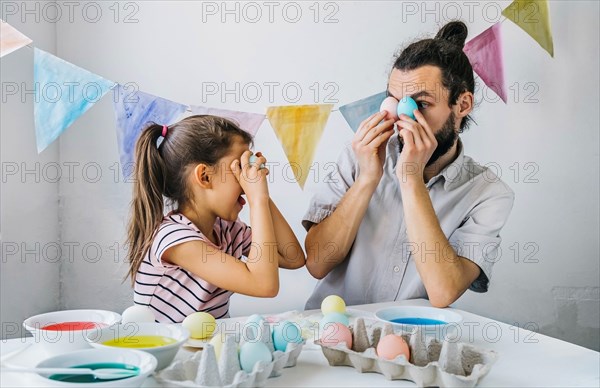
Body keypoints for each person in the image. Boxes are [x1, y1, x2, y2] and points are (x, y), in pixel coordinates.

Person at [303, 21, 515, 309]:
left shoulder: (488, 193)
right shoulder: (361, 154)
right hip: (332, 332)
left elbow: (443, 292)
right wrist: (367, 179)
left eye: (421, 104)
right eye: (395, 102)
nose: (404, 119)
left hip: (410, 343)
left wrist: (411, 178)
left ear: (462, 105)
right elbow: (317, 263)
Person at [126, 115, 304, 323]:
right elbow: (264, 285)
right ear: (205, 177)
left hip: (206, 347)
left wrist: (261, 195)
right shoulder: (175, 239)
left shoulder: (228, 230)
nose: (245, 179)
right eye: (238, 168)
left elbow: (293, 257)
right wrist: (257, 199)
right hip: (165, 349)